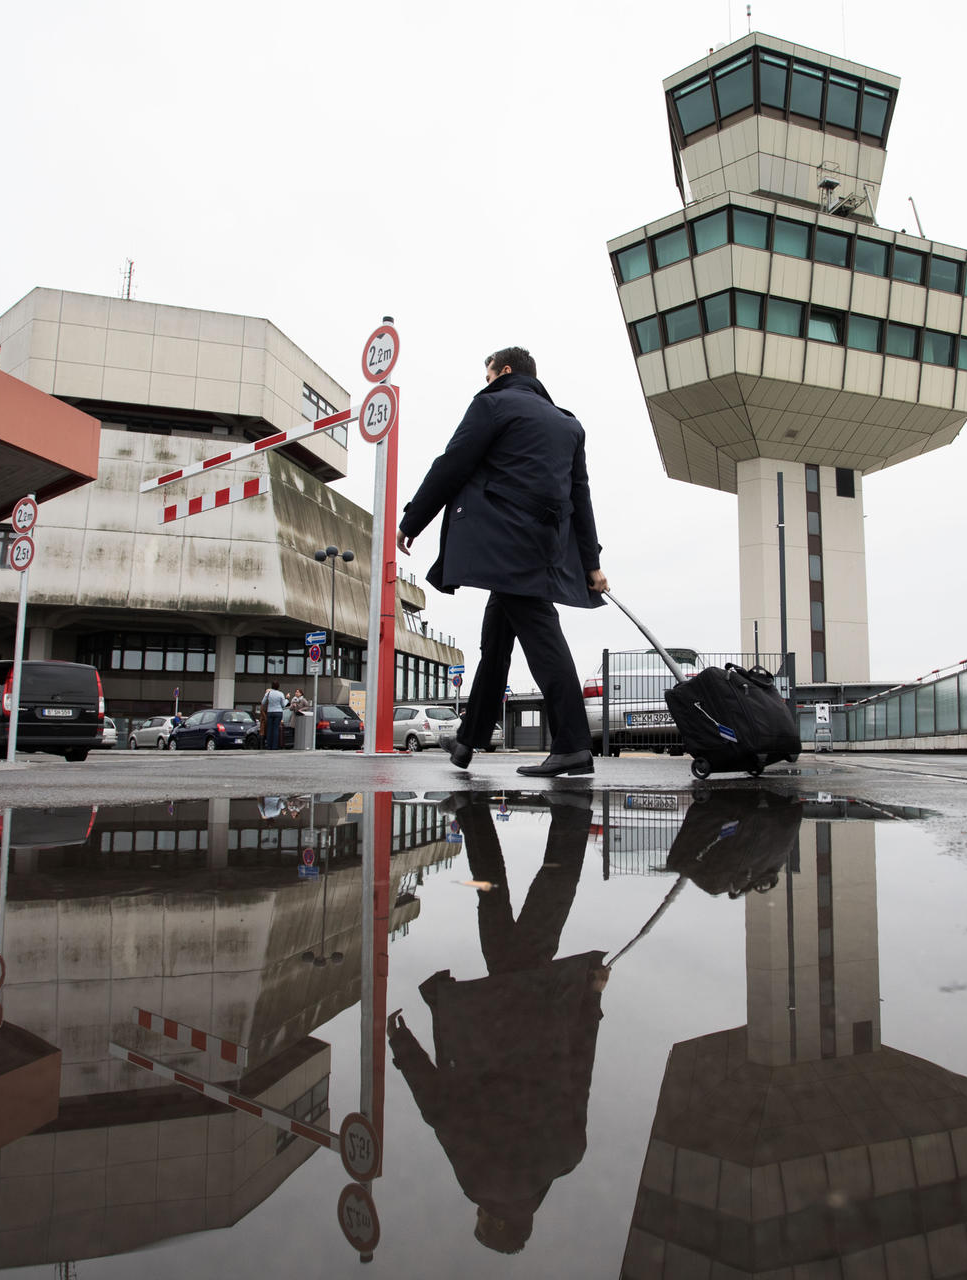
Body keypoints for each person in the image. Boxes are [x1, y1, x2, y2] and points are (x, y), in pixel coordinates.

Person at [387, 793, 607, 1254]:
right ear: (494, 1221)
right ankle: (529, 815)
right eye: (482, 1221)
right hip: (489, 1022)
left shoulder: (565, 1158)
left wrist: (589, 1000)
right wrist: (403, 1048)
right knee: (502, 901)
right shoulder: (480, 1180)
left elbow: (579, 1070)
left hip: (539, 1011)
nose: (479, 1211)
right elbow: (439, 1110)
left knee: (513, 904)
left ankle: (514, 815)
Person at [398, 346, 608, 777]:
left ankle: (571, 744)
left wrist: (414, 519)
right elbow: (580, 498)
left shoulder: (492, 404)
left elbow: (452, 464)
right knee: (496, 639)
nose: (485, 381)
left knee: (541, 635)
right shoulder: (568, 424)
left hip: (503, 543)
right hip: (543, 546)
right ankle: (469, 739)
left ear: (504, 371)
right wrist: (592, 564)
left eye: (487, 374)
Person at [259, 682, 286, 750]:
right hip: (278, 712)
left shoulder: (268, 693)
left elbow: (263, 702)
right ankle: (274, 746)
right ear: (278, 687)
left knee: (269, 729)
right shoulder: (281, 694)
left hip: (270, 712)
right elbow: (283, 705)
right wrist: (287, 699)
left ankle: (269, 745)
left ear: (271, 686)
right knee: (276, 729)